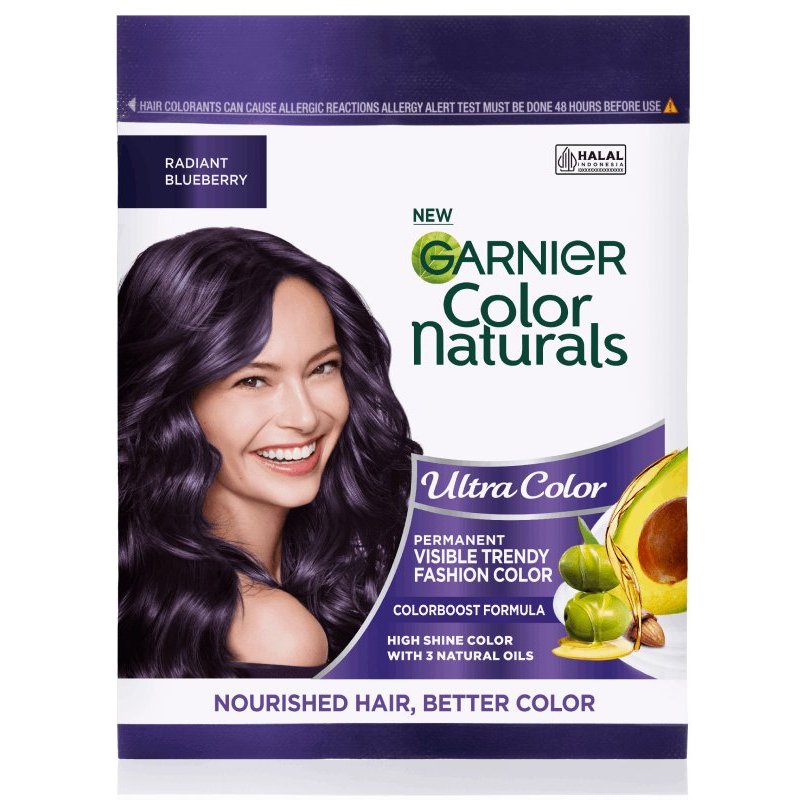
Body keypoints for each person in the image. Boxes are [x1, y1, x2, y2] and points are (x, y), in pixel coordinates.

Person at [118, 227, 420, 678]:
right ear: (173, 401)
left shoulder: (151, 586)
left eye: (323, 368)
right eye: (253, 380)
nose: (305, 417)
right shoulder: (275, 632)